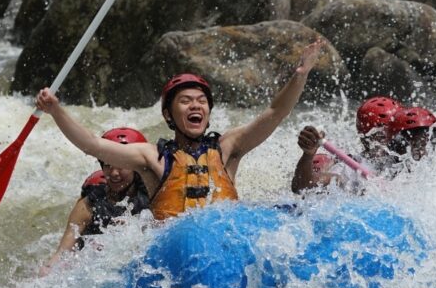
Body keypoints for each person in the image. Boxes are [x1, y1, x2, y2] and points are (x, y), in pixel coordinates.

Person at [36, 38, 326, 220]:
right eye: (185, 101)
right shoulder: (152, 158)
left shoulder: (228, 148)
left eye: (201, 101)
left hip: (227, 241)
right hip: (177, 251)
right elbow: (92, 145)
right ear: (168, 114)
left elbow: (276, 112)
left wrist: (300, 75)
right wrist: (56, 110)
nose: (195, 106)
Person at [40, 127, 151, 275]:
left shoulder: (153, 197)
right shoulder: (89, 205)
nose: (114, 173)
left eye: (122, 165)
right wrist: (46, 273)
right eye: (107, 164)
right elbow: (62, 254)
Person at [291, 96, 436, 194]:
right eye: (382, 134)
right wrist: (308, 155)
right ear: (366, 138)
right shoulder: (352, 171)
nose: (389, 140)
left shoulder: (412, 165)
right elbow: (302, 188)